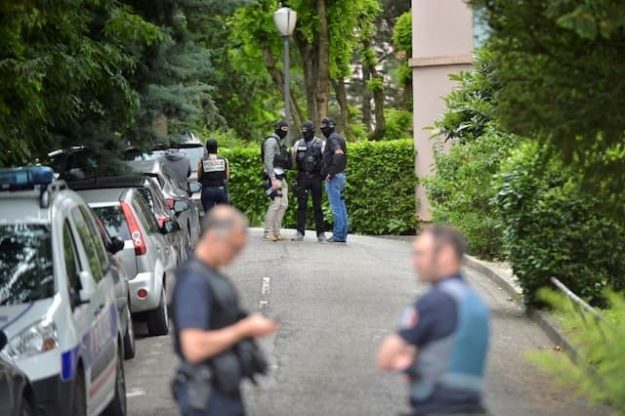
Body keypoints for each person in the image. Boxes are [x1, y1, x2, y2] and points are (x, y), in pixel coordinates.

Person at [171, 206, 279, 416]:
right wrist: (244, 329)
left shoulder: (208, 275)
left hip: (220, 386)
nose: (236, 255)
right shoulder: (194, 282)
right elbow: (194, 347)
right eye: (234, 247)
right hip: (207, 393)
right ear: (212, 238)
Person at [377, 226, 490, 416]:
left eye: (420, 254)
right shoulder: (475, 302)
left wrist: (409, 363)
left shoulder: (434, 301)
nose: (414, 262)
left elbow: (386, 358)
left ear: (445, 255)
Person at [291, 120, 326, 242]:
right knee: (301, 206)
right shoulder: (298, 143)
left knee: (318, 206)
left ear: (312, 131)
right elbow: (294, 161)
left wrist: (323, 175)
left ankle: (321, 233)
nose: (304, 133)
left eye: (307, 131)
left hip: (316, 177)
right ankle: (300, 232)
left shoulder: (321, 143)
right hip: (302, 176)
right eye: (303, 131)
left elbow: (325, 161)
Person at [320, 117, 349, 243]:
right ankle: (342, 235)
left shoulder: (332, 139)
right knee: (341, 207)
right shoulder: (339, 137)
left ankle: (337, 236)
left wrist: (331, 173)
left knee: (336, 207)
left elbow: (338, 153)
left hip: (335, 177)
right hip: (341, 176)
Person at [262, 120, 291, 242]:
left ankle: (276, 232)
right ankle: (268, 232)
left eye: (286, 130)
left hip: (280, 176)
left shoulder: (279, 142)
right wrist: (272, 178)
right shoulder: (271, 141)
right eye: (283, 129)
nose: (285, 132)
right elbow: (268, 160)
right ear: (277, 129)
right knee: (275, 204)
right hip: (273, 176)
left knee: (283, 204)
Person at [198, 139, 230, 213]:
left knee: (209, 215)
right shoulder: (224, 160)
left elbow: (199, 176)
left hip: (207, 190)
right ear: (216, 147)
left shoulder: (202, 161)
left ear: (207, 148)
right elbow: (227, 176)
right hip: (221, 189)